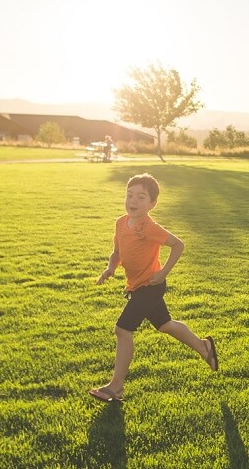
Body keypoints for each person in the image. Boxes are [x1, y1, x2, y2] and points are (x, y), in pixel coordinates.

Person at [90, 173, 217, 403]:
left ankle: (116, 386)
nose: (133, 201)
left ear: (152, 204)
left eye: (141, 197)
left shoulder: (150, 228)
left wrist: (163, 273)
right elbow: (117, 252)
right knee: (165, 325)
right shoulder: (120, 223)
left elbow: (179, 245)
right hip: (136, 286)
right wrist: (110, 268)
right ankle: (204, 347)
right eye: (130, 195)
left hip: (150, 286)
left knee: (123, 329)